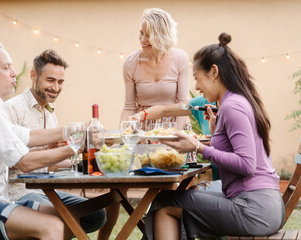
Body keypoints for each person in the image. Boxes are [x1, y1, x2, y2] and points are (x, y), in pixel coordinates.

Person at [0, 41, 106, 240]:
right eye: (6, 67)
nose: (14, 72)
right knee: (53, 226)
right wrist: (77, 144)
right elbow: (24, 163)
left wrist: (79, 129)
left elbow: (29, 135)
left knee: (77, 217)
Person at [143, 33, 284, 239]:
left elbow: (247, 164)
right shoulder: (237, 101)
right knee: (173, 200)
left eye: (197, 78)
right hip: (264, 206)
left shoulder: (232, 107)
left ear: (214, 72)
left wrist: (199, 148)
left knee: (165, 204)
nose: (197, 86)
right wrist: (215, 131)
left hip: (254, 210)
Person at [4, 49, 72, 201]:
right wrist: (45, 151)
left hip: (46, 190)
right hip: (18, 192)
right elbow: (5, 162)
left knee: (94, 213)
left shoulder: (51, 115)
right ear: (33, 75)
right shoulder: (11, 109)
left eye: (60, 82)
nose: (55, 88)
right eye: (50, 80)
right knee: (62, 215)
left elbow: (49, 166)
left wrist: (83, 160)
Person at [120, 8, 191, 132]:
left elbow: (184, 103)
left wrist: (175, 134)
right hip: (144, 129)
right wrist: (123, 135)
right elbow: (129, 107)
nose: (142, 39)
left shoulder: (180, 58)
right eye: (141, 33)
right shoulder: (130, 63)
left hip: (175, 126)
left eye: (149, 35)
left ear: (162, 36)